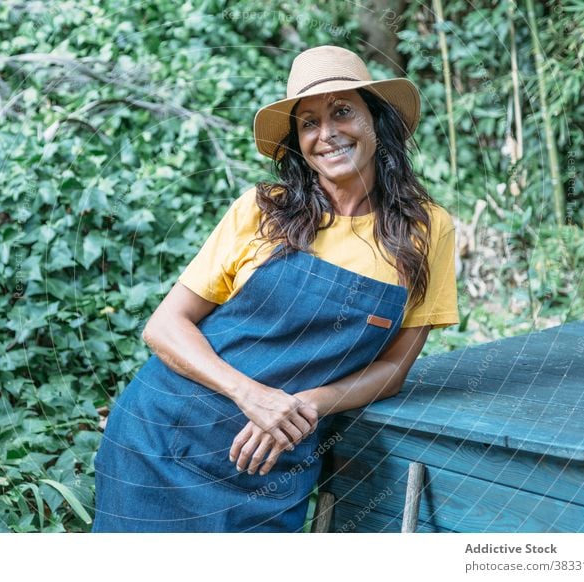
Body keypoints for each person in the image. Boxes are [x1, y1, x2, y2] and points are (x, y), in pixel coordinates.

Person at [91, 45, 459, 533]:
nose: (326, 134)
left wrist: (305, 406)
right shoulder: (263, 210)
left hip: (272, 463)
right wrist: (253, 397)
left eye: (342, 111)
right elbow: (164, 326)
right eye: (308, 122)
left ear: (377, 121)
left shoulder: (427, 230)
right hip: (162, 439)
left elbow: (392, 369)